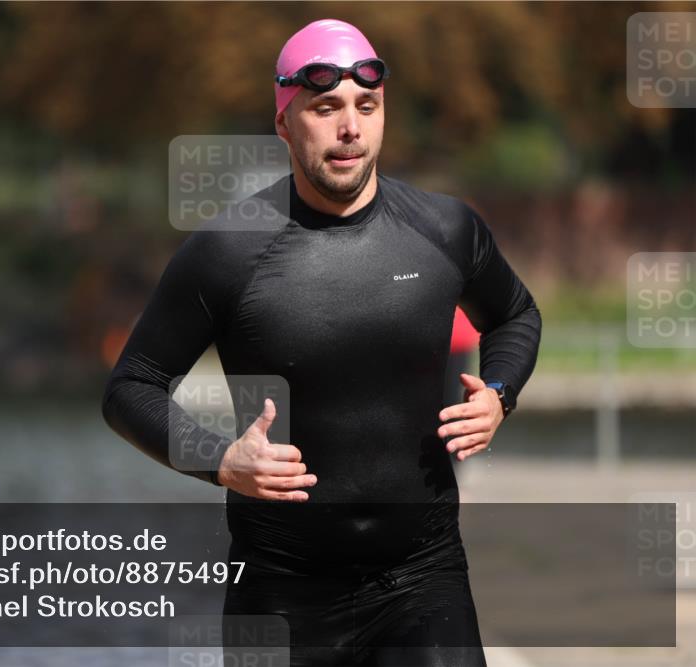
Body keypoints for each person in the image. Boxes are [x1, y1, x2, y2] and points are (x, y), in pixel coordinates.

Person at [102, 18, 541, 666]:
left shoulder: (445, 229)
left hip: (424, 581)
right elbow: (130, 387)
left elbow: (516, 314)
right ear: (284, 122)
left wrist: (498, 393)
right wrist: (220, 459)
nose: (350, 128)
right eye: (326, 107)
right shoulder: (226, 253)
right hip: (281, 593)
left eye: (367, 106)